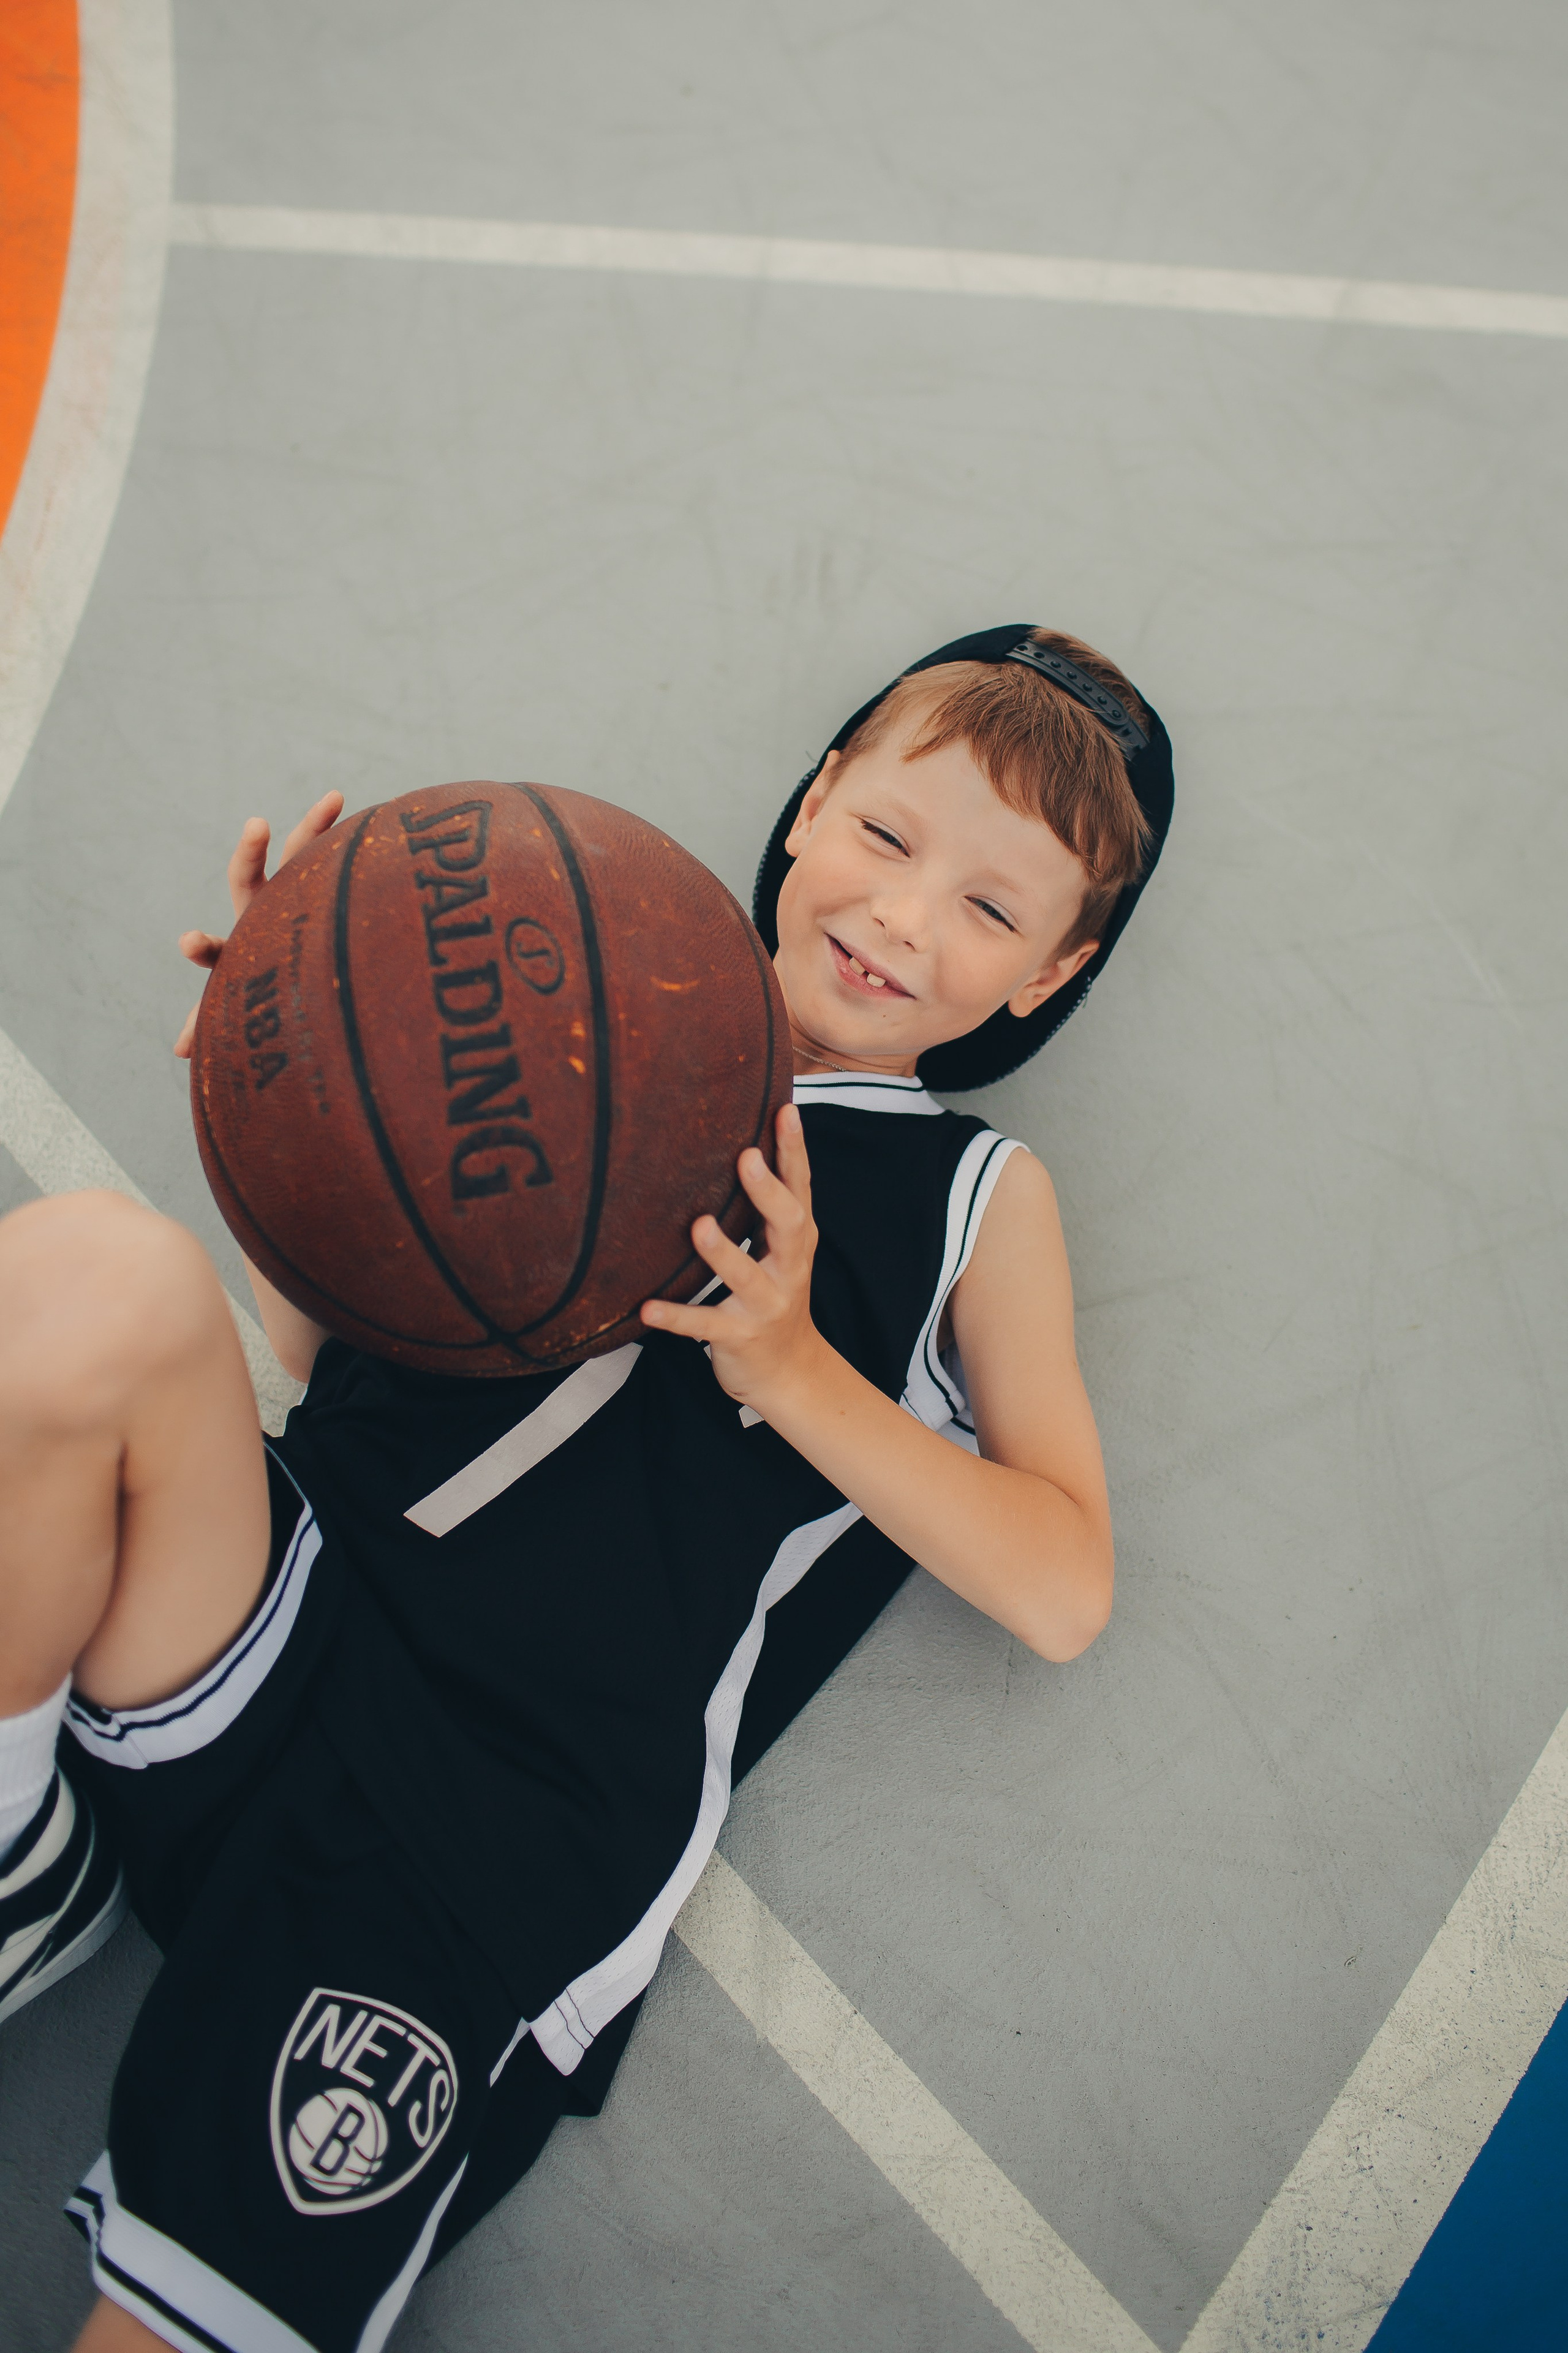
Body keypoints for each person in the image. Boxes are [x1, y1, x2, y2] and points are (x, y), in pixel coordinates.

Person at [0, 625, 1173, 2353]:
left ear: (1048, 978)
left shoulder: (972, 1203)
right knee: (95, 1274)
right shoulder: (581, 988)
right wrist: (290, 1092)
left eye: (996, 913)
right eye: (891, 837)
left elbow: (1065, 1582)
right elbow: (341, 1369)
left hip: (488, 1829)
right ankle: (27, 1849)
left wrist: (798, 1374)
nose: (907, 918)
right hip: (277, 1605)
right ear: (818, 801)